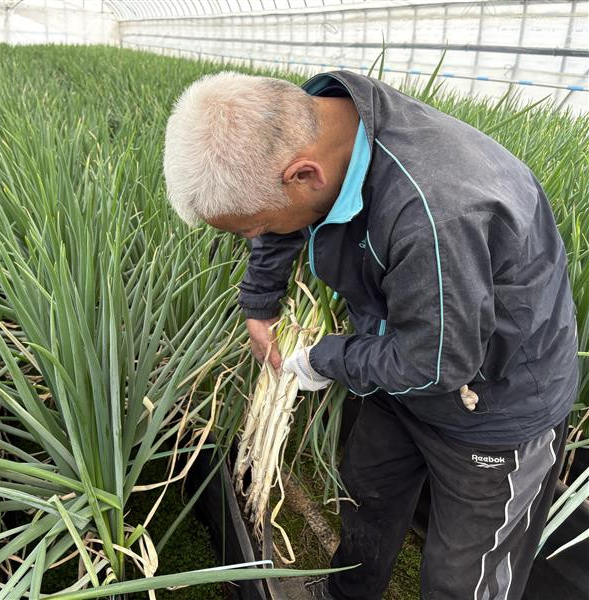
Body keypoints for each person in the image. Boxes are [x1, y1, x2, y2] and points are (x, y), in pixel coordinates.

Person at [162, 70, 579, 600]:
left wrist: (325, 359)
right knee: (368, 498)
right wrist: (261, 302)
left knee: (463, 578)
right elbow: (281, 217)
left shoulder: (436, 214)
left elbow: (435, 364)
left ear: (303, 175)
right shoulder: (312, 122)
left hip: (493, 401)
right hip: (396, 356)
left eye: (255, 228)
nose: (259, 239)